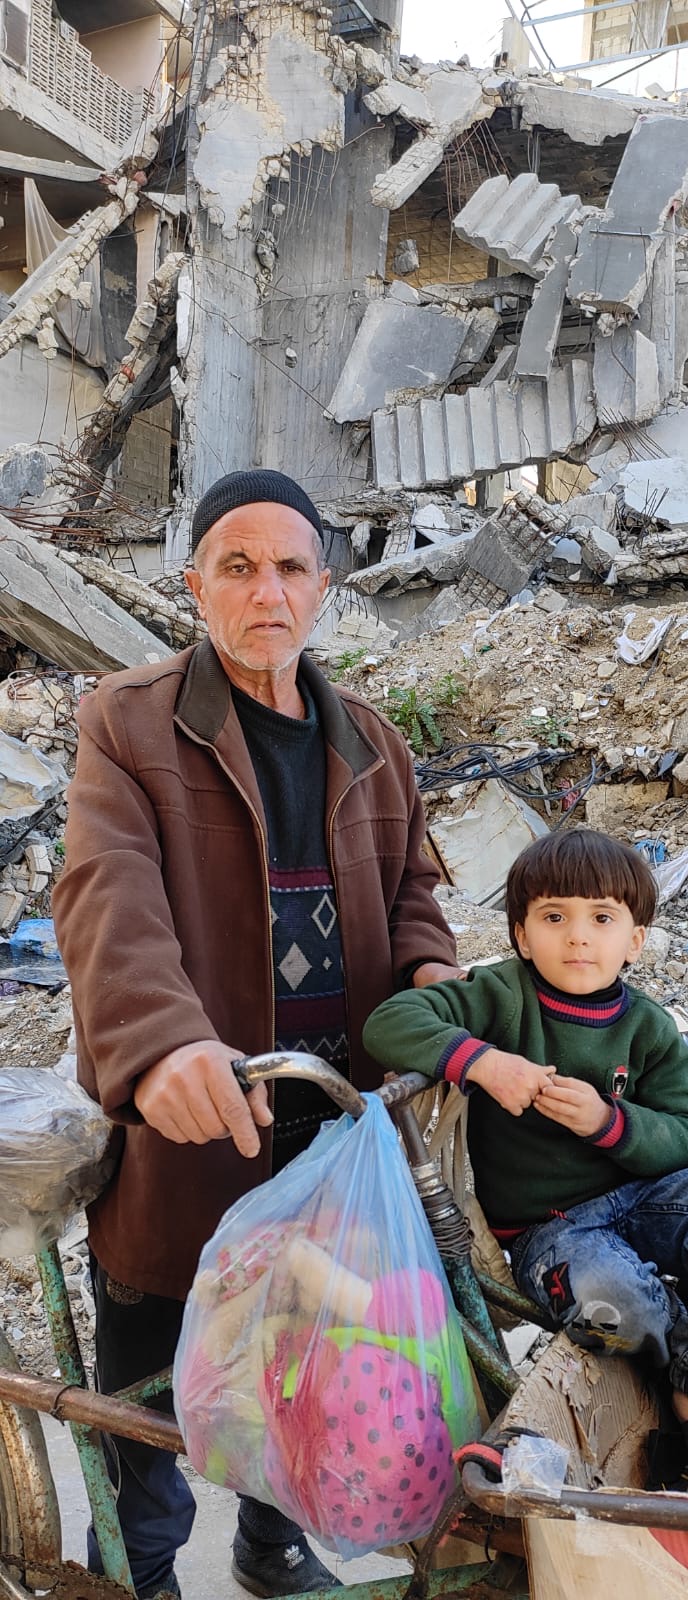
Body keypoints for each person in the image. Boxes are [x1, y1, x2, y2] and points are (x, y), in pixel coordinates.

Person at [53, 469, 462, 1600]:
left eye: (289, 566)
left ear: (323, 587)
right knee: (157, 1366)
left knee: (304, 1358)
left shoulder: (373, 738)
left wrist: (434, 977)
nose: (265, 590)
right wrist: (160, 1042)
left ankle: (272, 1541)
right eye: (237, 566)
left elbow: (419, 885)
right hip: (202, 1117)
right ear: (196, 585)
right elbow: (107, 889)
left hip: (333, 1126)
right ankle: (137, 1565)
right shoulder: (129, 722)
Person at [363, 827, 688, 1498]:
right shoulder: (500, 997)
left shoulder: (647, 1027)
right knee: (622, 1305)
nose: (578, 937)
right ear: (523, 935)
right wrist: (483, 1061)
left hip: (641, 1202)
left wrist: (609, 1122)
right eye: (554, 917)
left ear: (635, 940)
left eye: (602, 918)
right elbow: (391, 1021)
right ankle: (666, 1392)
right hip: (551, 1230)